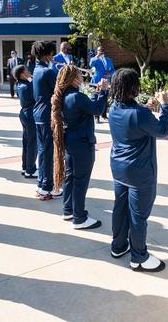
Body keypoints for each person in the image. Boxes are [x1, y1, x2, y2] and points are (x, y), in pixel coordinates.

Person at [108, 68, 168, 272]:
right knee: (138, 215)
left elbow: (134, 120)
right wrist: (165, 105)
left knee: (120, 208)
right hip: (139, 171)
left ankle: (118, 246)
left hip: (118, 167)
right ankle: (139, 257)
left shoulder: (113, 108)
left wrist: (146, 107)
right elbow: (162, 130)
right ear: (133, 88)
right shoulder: (140, 114)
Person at [51, 65, 108, 230]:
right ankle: (79, 217)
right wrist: (104, 91)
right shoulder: (77, 96)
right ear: (74, 79)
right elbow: (97, 109)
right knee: (80, 181)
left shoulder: (64, 96)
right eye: (80, 75)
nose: (83, 77)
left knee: (71, 177)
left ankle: (68, 210)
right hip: (82, 143)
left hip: (71, 141)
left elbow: (89, 107)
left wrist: (97, 93)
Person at [33, 41, 62, 200]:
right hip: (46, 116)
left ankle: (42, 184)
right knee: (48, 152)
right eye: (52, 53)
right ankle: (47, 187)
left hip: (38, 115)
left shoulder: (37, 69)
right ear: (46, 54)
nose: (53, 56)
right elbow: (60, 91)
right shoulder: (48, 72)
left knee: (43, 152)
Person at [14, 65, 37, 178]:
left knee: (27, 142)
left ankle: (25, 166)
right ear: (22, 74)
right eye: (27, 71)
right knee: (33, 143)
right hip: (30, 115)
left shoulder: (20, 85)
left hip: (25, 114)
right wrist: (32, 79)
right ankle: (31, 169)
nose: (29, 71)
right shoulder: (28, 85)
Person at [89, 46, 115, 122]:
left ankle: (103, 115)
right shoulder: (95, 59)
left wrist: (109, 74)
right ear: (97, 51)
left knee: (105, 98)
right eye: (99, 50)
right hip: (96, 81)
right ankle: (96, 116)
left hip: (106, 82)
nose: (101, 51)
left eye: (102, 50)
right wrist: (97, 56)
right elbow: (91, 64)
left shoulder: (108, 60)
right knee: (96, 97)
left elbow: (113, 69)